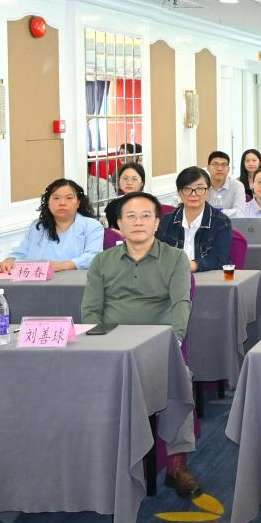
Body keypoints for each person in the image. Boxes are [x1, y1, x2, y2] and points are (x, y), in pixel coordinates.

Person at [80, 191, 202, 498]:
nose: (138, 222)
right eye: (130, 216)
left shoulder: (175, 258)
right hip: (111, 347)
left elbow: (181, 304)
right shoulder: (102, 261)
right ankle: (98, 462)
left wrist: (173, 342)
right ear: (119, 224)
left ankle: (177, 465)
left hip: (157, 347)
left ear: (157, 223)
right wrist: (98, 345)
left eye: (146, 216)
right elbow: (90, 310)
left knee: (180, 379)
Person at [0, 178, 103, 273]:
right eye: (56, 198)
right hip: (36, 283)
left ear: (78, 202)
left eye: (69, 198)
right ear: (48, 203)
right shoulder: (38, 227)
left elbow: (92, 257)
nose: (62, 203)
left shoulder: (92, 226)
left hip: (75, 284)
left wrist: (62, 266)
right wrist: (8, 261)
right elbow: (20, 253)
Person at [157, 167, 232, 272]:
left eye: (199, 188)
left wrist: (193, 265)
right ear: (179, 192)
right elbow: (157, 254)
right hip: (171, 277)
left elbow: (220, 259)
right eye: (187, 189)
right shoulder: (167, 220)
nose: (193, 194)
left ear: (208, 191)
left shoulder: (221, 222)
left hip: (206, 278)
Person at [104, 162, 146, 232]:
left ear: (142, 183)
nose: (129, 182)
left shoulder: (149, 204)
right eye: (125, 178)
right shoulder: (112, 206)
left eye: (134, 179)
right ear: (119, 181)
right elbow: (108, 229)